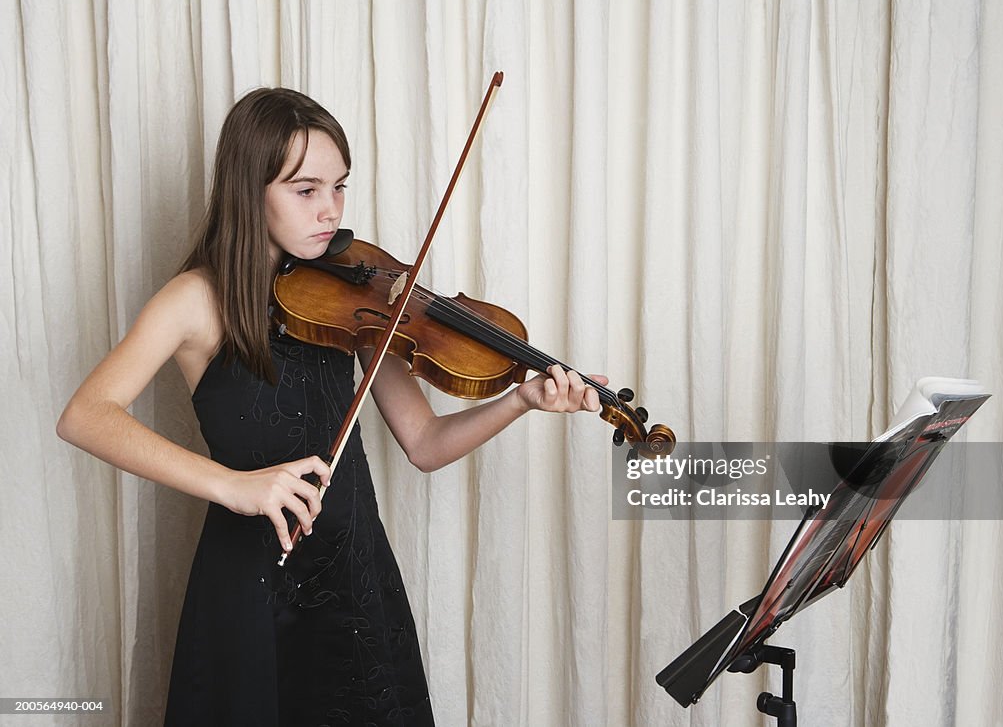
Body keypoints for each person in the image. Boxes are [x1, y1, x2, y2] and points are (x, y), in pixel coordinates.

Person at [56, 87, 605, 726]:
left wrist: (520, 400)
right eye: (305, 189)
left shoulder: (354, 297)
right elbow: (87, 415)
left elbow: (424, 443)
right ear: (248, 188)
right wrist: (234, 486)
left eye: (339, 187)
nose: (330, 211)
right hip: (253, 585)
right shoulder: (194, 301)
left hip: (354, 578)